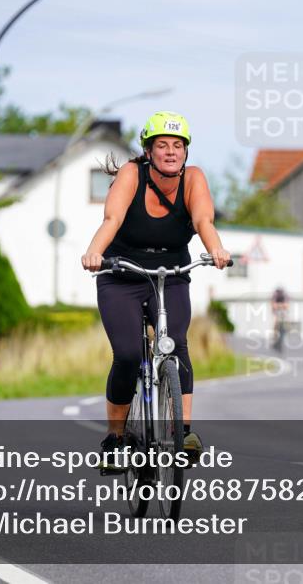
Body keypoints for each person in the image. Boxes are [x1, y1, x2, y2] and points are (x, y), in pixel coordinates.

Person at [81, 111, 231, 468]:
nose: (170, 152)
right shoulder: (132, 174)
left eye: (177, 146)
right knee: (130, 355)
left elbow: (202, 220)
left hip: (171, 271)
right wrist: (94, 252)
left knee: (176, 346)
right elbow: (112, 220)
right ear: (148, 151)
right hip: (123, 274)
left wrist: (216, 251)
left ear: (186, 152)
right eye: (162, 145)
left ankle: (185, 433)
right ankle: (116, 438)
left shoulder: (194, 179)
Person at [270, 286, 289, 352]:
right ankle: (275, 336)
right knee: (276, 321)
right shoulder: (275, 296)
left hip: (282, 311)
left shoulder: (285, 296)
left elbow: (286, 306)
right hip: (276, 311)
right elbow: (273, 306)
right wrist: (279, 306)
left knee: (285, 320)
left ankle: (284, 331)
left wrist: (281, 306)